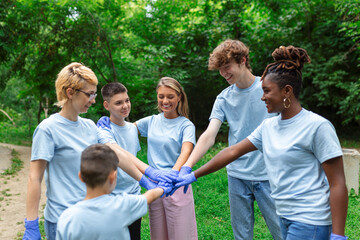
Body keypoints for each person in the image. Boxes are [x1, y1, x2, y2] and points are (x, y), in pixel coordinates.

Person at [176, 46, 349, 240]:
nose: (262, 96)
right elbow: (230, 150)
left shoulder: (315, 125)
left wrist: (338, 234)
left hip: (304, 213)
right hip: (277, 208)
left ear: (287, 91)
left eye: (267, 91)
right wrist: (191, 172)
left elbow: (336, 182)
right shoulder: (267, 125)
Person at [23, 62, 159, 240]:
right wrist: (31, 223)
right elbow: (35, 177)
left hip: (93, 216)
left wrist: (147, 177)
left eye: (94, 94)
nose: (93, 100)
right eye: (89, 94)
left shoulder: (89, 126)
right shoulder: (48, 129)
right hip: (61, 220)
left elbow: (116, 152)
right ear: (70, 92)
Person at [178, 39, 282, 240]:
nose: (223, 73)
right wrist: (188, 165)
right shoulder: (224, 98)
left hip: (268, 174)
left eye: (227, 67)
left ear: (243, 60)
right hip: (237, 175)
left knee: (282, 232)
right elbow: (209, 135)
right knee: (241, 236)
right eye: (220, 69)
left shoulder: (268, 89)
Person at [97, 77, 198, 240]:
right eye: (161, 96)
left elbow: (186, 151)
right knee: (158, 234)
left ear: (179, 97)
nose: (165, 101)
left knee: (181, 235)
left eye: (170, 96)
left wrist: (173, 174)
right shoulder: (151, 121)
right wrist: (106, 121)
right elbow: (126, 128)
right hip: (153, 186)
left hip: (176, 183)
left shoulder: (186, 125)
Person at [56, 144, 169, 240]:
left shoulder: (67, 218)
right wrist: (163, 187)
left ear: (80, 176)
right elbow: (151, 196)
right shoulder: (123, 205)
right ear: (113, 177)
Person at [97, 82, 143, 239]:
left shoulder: (132, 129)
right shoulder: (103, 131)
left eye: (127, 100)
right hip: (113, 199)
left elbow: (133, 159)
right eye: (118, 102)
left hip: (134, 196)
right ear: (106, 105)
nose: (125, 106)